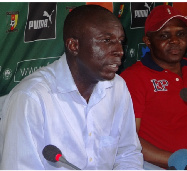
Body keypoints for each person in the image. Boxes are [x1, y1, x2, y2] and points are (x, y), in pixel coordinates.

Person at [0, 5, 143, 170]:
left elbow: (128, 153)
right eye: (107, 40)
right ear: (73, 46)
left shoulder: (117, 86)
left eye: (120, 42)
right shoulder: (31, 98)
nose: (119, 51)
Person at [120, 5, 187, 169]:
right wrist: (180, 161)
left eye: (180, 34)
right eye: (164, 35)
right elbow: (128, 139)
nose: (175, 40)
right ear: (148, 40)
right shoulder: (134, 77)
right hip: (160, 164)